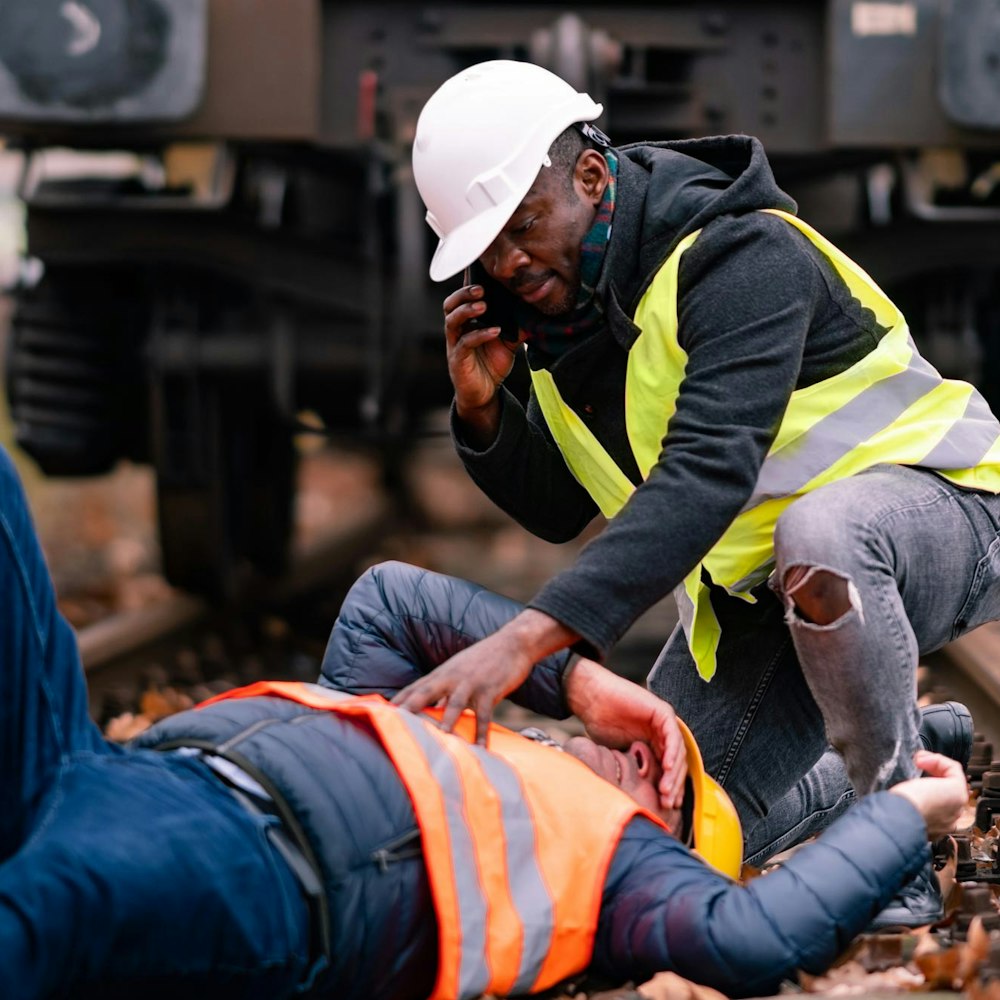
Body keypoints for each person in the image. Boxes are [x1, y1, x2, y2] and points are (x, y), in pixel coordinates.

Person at [0, 444, 971, 999]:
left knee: (38, 919)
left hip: (249, 878)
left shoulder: (620, 878)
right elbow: (386, 601)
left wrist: (909, 809)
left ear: (661, 817)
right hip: (107, 774)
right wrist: (578, 683)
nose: (644, 751)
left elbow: (756, 934)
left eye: (658, 772)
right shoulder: (450, 738)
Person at [403, 58, 1000, 927]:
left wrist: (526, 641)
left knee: (822, 530)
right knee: (657, 832)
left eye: (524, 225)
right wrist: (486, 413)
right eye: (486, 247)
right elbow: (566, 510)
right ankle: (915, 750)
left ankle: (894, 853)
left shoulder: (741, 252)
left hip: (947, 516)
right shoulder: (557, 315)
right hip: (764, 597)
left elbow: (707, 470)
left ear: (593, 176)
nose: (509, 260)